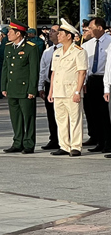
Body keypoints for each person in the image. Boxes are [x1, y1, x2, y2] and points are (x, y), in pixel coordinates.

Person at [49, 19, 88, 157]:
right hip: (59, 91)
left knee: (74, 119)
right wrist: (51, 91)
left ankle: (76, 146)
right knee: (60, 119)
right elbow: (54, 73)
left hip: (72, 91)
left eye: (60, 34)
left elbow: (81, 72)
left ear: (69, 36)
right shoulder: (57, 52)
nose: (57, 36)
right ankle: (64, 145)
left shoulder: (79, 52)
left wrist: (78, 91)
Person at [1, 21, 39, 154]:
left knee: (28, 117)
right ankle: (17, 142)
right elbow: (5, 67)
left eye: (11, 32)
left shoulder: (30, 47)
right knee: (15, 117)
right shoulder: (8, 47)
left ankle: (28, 143)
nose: (8, 34)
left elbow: (34, 70)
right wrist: (4, 85)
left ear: (18, 33)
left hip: (25, 89)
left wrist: (32, 90)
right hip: (12, 87)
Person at [83, 17, 110, 153]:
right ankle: (99, 141)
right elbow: (85, 65)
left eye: (91, 28)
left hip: (105, 80)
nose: (89, 31)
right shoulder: (88, 44)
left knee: (105, 113)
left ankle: (107, 141)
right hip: (91, 80)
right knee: (94, 113)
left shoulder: (109, 42)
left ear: (100, 28)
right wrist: (84, 82)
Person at [39, 24, 60, 151]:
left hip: (60, 85)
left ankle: (64, 139)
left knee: (61, 115)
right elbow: (42, 70)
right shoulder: (48, 51)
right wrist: (40, 86)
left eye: (54, 31)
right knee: (51, 114)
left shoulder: (66, 50)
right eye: (50, 31)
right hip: (48, 85)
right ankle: (53, 139)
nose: (50, 33)